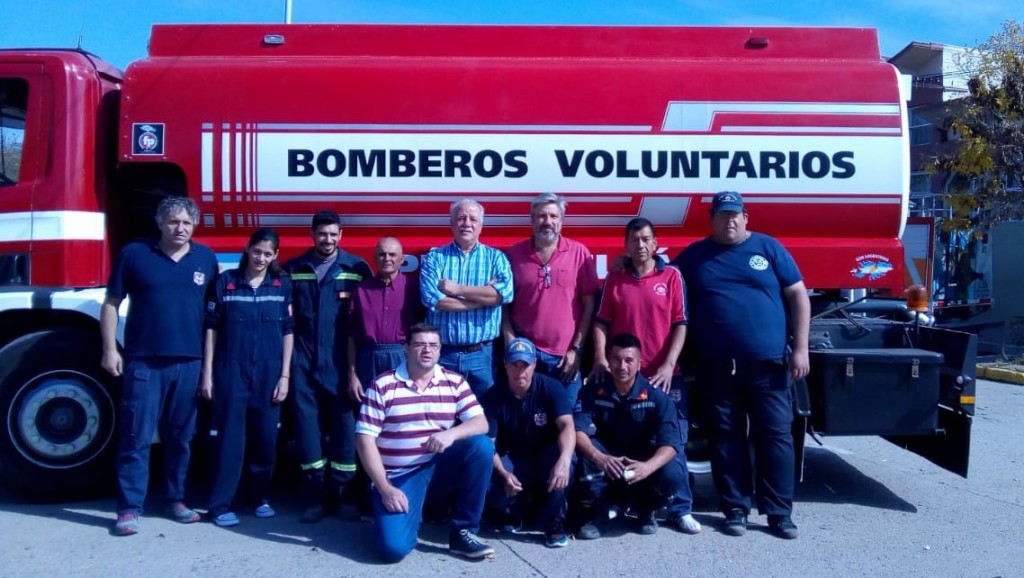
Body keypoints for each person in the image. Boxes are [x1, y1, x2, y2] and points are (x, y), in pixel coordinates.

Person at [671, 191, 810, 540]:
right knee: (726, 439)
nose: (728, 220)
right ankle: (735, 509)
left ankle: (779, 513)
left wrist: (801, 349)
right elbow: (663, 278)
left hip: (769, 365)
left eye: (734, 214)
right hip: (718, 366)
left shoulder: (768, 248)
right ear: (712, 219)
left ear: (746, 217)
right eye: (722, 215)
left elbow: (798, 296)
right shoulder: (695, 257)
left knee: (775, 437)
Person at [100, 196, 219, 537]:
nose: (180, 228)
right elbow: (111, 303)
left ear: (194, 225)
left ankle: (176, 499)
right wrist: (110, 349)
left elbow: (213, 319)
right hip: (144, 362)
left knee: (181, 438)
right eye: (173, 222)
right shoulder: (135, 255)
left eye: (186, 222)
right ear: (160, 223)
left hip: (189, 363)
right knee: (136, 436)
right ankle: (128, 508)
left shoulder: (205, 259)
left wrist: (208, 368)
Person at [355, 322, 496, 562]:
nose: (427, 350)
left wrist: (451, 434)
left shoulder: (454, 382)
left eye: (433, 345)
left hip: (439, 467)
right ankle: (412, 512)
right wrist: (385, 488)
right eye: (419, 344)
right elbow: (364, 439)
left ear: (440, 350)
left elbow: (481, 423)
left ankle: (463, 532)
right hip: (399, 476)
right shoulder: (382, 385)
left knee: (481, 447)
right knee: (394, 550)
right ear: (406, 348)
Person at [200, 228, 294, 527]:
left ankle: (257, 498)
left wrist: (285, 376)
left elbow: (288, 331)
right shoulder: (226, 282)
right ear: (247, 248)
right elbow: (211, 329)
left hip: (269, 375)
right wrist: (208, 373)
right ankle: (220, 504)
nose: (261, 258)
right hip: (231, 372)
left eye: (268, 254)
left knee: (266, 440)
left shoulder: (282, 285)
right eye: (257, 251)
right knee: (229, 441)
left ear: (276, 256)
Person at [284, 210, 373, 523]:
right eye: (322, 234)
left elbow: (364, 320)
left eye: (334, 234)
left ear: (341, 235)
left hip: (339, 361)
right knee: (307, 430)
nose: (328, 239)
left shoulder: (356, 268)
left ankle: (345, 496)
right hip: (302, 361)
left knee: (345, 429)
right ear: (312, 234)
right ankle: (313, 498)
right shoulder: (294, 268)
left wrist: (355, 369)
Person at [573, 333, 701, 538]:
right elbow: (577, 430)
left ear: (639, 364)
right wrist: (600, 458)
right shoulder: (594, 389)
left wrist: (647, 467)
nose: (622, 366)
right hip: (609, 455)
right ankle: (599, 512)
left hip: (642, 458)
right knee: (582, 452)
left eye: (628, 360)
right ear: (609, 359)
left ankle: (647, 510)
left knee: (673, 470)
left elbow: (671, 444)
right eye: (616, 359)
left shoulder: (656, 395)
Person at [503, 193, 599, 404]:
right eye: (541, 216)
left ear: (561, 221)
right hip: (525, 357)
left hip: (564, 358)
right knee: (527, 419)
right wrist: (510, 339)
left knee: (566, 418)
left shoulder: (579, 253)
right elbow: (503, 304)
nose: (548, 222)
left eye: (553, 216)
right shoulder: (513, 254)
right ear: (532, 220)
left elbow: (588, 305)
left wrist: (577, 349)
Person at [481, 337, 575, 548]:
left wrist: (565, 460)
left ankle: (553, 525)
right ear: (505, 364)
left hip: (544, 454)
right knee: (491, 483)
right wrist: (503, 474)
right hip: (511, 457)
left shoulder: (551, 387)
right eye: (514, 364)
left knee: (568, 461)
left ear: (534, 365)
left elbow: (567, 426)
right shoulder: (492, 396)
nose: (519, 371)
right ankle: (513, 513)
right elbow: (489, 443)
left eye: (525, 365)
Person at [420, 199, 513, 397]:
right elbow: (434, 301)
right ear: (451, 223)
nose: (467, 223)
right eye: (461, 218)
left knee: (483, 418)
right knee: (441, 418)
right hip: (443, 354)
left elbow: (503, 295)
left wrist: (457, 288)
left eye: (473, 219)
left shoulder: (496, 258)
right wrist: (482, 299)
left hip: (482, 356)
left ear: (481, 225)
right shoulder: (434, 258)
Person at [590, 217, 687, 391]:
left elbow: (681, 323)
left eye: (646, 239)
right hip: (623, 375)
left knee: (670, 420)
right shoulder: (614, 277)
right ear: (626, 244)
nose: (640, 245)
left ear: (655, 243)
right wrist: (600, 358)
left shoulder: (672, 276)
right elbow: (600, 321)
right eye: (634, 240)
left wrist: (669, 365)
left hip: (662, 375)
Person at [347, 236, 422, 404]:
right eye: (382, 254)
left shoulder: (414, 287)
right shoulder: (361, 289)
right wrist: (352, 375)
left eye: (392, 254)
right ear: (374, 258)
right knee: (370, 413)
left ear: (402, 259)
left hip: (402, 356)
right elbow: (351, 335)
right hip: (368, 358)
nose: (387, 258)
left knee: (403, 412)